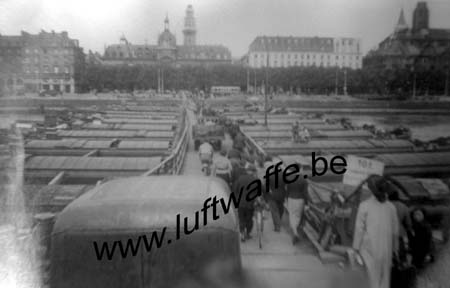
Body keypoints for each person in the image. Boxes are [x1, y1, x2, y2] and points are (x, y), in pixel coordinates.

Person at [352, 175, 399, 288]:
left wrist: (356, 248)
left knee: (371, 277)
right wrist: (395, 249)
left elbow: (359, 229)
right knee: (385, 277)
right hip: (386, 248)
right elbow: (395, 231)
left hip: (369, 247)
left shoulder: (364, 206)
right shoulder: (391, 207)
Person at [233, 164, 259, 242]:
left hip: (240, 203)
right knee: (249, 219)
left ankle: (242, 233)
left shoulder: (240, 178)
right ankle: (248, 233)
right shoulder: (255, 180)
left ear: (247, 171)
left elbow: (235, 189)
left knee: (241, 218)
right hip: (250, 204)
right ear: (253, 172)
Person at [286, 163, 308, 245]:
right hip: (300, 199)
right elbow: (305, 193)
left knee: (292, 215)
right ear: (300, 169)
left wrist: (286, 199)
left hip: (291, 198)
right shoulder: (303, 179)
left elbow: (287, 190)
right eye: (302, 168)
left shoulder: (289, 178)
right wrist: (307, 204)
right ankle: (296, 232)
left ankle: (295, 232)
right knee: (298, 216)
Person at [388, 189, 412, 262]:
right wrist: (409, 228)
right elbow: (408, 221)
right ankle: (402, 265)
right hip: (399, 232)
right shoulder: (403, 206)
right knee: (401, 251)